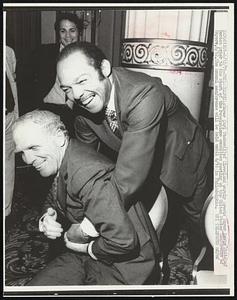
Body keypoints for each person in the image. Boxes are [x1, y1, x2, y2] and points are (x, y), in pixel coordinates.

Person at [56, 41, 211, 262]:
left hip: (183, 155)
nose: (77, 94)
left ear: (105, 68)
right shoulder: (82, 110)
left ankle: (207, 271)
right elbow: (83, 165)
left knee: (201, 224)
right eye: (67, 88)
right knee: (151, 233)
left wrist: (87, 228)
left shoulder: (144, 93)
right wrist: (57, 208)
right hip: (139, 160)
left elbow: (129, 176)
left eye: (82, 80)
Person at [12, 110, 161, 285]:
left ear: (59, 138)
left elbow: (124, 242)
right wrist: (48, 215)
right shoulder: (65, 155)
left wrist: (86, 248)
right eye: (21, 152)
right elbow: (53, 195)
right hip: (91, 252)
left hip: (124, 266)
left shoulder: (88, 174)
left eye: (32, 148)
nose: (27, 160)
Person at [31, 13, 84, 109]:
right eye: (63, 31)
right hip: (47, 108)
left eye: (72, 30)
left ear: (79, 32)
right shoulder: (44, 52)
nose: (68, 35)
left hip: (76, 111)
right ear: (58, 33)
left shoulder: (86, 56)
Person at [5, 45, 19, 218]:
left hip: (8, 118)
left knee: (8, 167)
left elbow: (12, 80)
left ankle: (5, 212)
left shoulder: (8, 51)